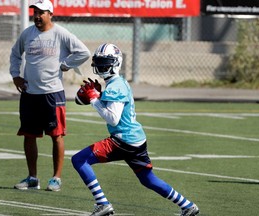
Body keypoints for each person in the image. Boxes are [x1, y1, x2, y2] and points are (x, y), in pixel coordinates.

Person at [71, 43, 200, 216]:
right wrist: (100, 97)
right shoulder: (118, 82)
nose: (101, 66)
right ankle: (187, 205)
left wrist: (94, 99)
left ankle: (102, 203)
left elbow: (113, 118)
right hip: (135, 139)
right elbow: (114, 110)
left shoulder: (115, 86)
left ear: (116, 63)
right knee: (148, 179)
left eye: (105, 62)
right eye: (99, 62)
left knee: (79, 160)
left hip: (122, 140)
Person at [9, 0, 90, 192]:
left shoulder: (60, 33)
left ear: (50, 14)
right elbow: (15, 54)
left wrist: (65, 65)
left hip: (52, 94)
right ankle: (32, 178)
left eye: (41, 12)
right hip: (29, 94)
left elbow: (83, 52)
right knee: (29, 136)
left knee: (57, 136)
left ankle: (56, 178)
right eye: (35, 12)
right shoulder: (27, 34)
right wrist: (16, 76)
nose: (37, 16)